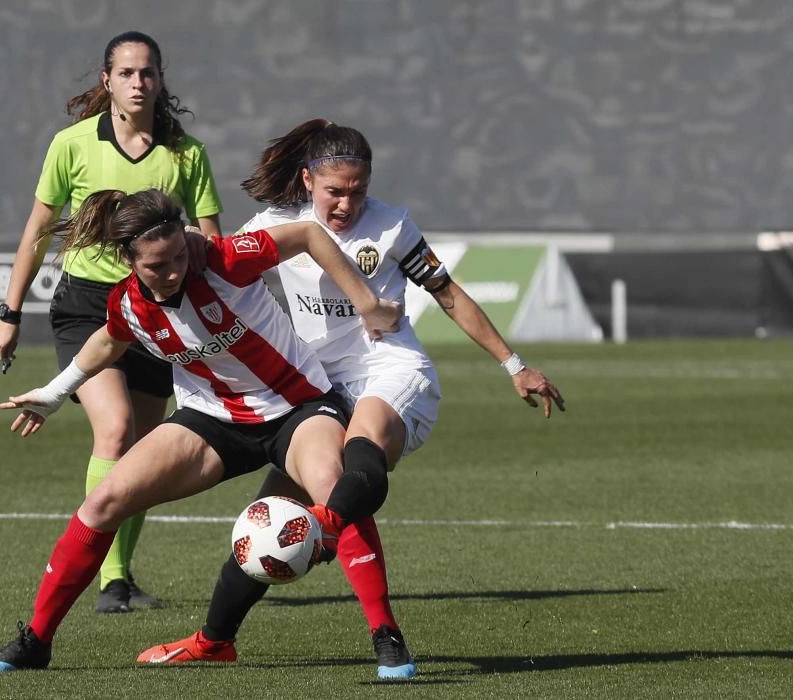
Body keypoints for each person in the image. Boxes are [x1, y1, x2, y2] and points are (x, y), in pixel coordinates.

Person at [136, 119, 565, 679]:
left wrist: (515, 364)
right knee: (273, 520)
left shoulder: (392, 227)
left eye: (357, 190)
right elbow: (214, 265)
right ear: (308, 179)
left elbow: (447, 293)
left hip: (392, 371)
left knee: (359, 450)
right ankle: (214, 639)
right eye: (334, 191)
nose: (345, 203)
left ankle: (385, 634)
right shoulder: (276, 225)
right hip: (315, 388)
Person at [0, 188, 403, 672]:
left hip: (297, 406)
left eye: (179, 253)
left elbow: (306, 233)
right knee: (102, 502)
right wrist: (55, 392)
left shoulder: (223, 259)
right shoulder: (130, 303)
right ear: (127, 259)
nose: (175, 269)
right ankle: (36, 641)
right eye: (158, 265)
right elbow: (107, 340)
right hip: (212, 420)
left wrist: (366, 301)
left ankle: (387, 637)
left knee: (332, 490)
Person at [0, 31, 223, 613]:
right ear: (106, 80)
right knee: (115, 429)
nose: (138, 82)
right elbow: (37, 231)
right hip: (88, 306)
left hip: (155, 310)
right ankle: (95, 571)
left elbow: (214, 240)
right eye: (126, 73)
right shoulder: (71, 145)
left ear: (160, 79)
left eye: (148, 72)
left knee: (141, 448)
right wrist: (10, 311)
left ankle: (118, 579)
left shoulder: (186, 153)